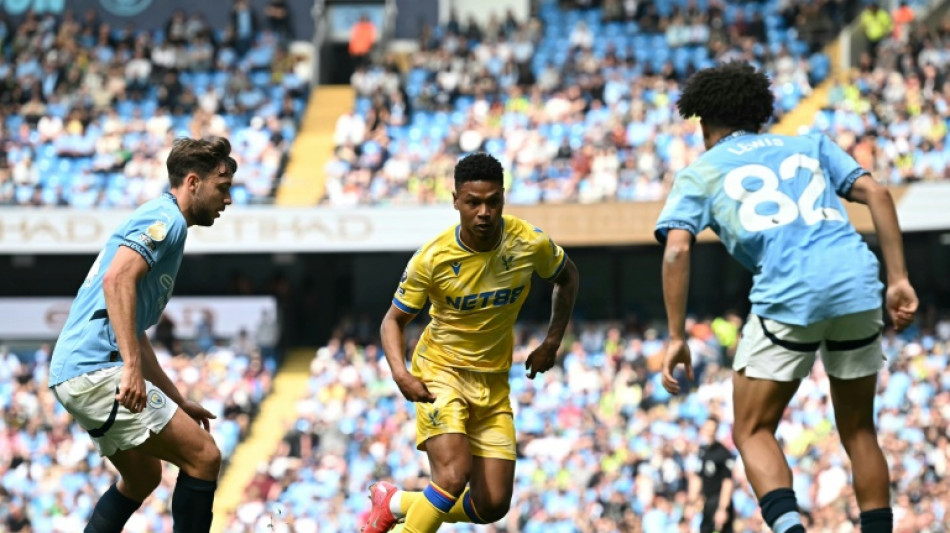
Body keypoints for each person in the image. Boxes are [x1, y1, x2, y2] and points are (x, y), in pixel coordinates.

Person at [655, 62, 917, 533]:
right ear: (759, 113)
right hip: (858, 281)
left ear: (704, 124)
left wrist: (676, 336)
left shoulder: (699, 171)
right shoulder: (810, 143)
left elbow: (676, 250)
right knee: (859, 429)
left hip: (790, 292)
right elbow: (878, 193)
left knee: (752, 429)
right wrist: (898, 279)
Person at [363, 152, 579, 533]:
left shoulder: (528, 243)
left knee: (492, 504)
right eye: (473, 202)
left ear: (503, 199)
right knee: (451, 475)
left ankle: (395, 503)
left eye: (492, 201)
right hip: (440, 373)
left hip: (493, 382)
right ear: (456, 201)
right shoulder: (432, 259)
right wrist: (400, 373)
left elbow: (567, 277)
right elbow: (393, 321)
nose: (484, 212)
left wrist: (552, 342)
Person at [48, 137, 237, 533]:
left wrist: (177, 400)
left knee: (143, 477)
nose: (228, 199)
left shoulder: (168, 223)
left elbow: (132, 328)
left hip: (76, 372)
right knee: (204, 456)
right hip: (96, 369)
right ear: (192, 182)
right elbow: (116, 279)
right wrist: (131, 368)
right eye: (223, 187)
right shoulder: (164, 219)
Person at [689, 417, 735, 533]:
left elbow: (727, 483)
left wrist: (722, 509)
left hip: (718, 501)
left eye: (712, 429)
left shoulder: (723, 453)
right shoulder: (701, 451)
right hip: (706, 503)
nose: (709, 431)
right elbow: (697, 477)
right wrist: (691, 502)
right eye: (707, 428)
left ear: (716, 430)